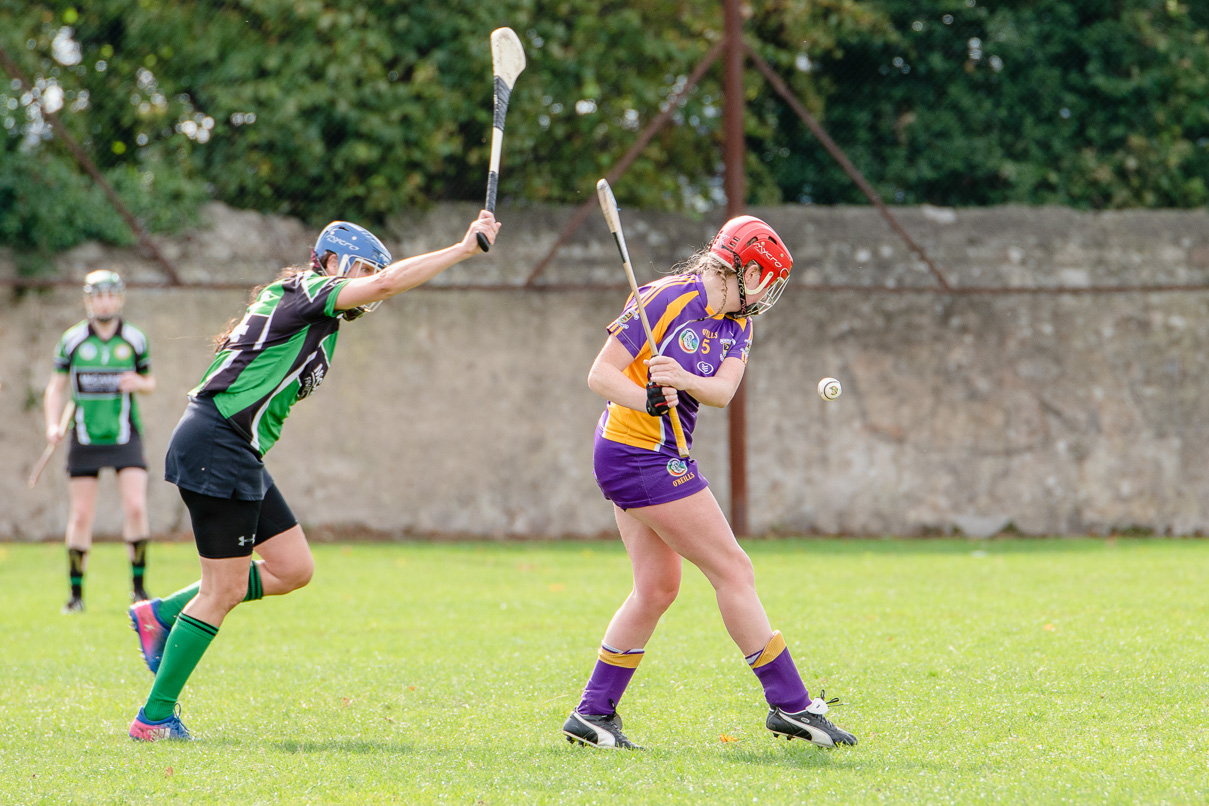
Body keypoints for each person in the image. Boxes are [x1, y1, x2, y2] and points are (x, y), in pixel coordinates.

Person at [126, 211, 500, 741]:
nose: (368, 281)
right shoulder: (309, 291)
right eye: (361, 269)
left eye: (371, 270)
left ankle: (159, 614)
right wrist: (463, 249)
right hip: (217, 443)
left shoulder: (315, 316)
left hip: (237, 450)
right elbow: (391, 284)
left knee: (292, 568)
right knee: (223, 590)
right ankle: (154, 717)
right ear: (329, 261)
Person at [561, 216, 857, 750]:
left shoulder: (740, 321)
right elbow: (600, 376)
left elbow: (720, 392)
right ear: (739, 269)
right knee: (733, 568)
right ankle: (792, 705)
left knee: (656, 589)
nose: (768, 292)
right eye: (765, 277)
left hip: (660, 453)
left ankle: (592, 715)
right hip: (637, 453)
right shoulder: (665, 300)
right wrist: (648, 398)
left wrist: (682, 380)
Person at [43, 270, 156, 613]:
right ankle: (76, 596)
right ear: (88, 299)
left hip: (125, 434)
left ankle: (139, 590)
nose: (104, 301)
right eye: (97, 295)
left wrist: (138, 382)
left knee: (136, 507)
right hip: (84, 435)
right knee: (80, 515)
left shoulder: (135, 339)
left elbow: (151, 382)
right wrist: (52, 424)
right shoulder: (72, 340)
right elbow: (56, 387)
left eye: (110, 295)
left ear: (119, 298)